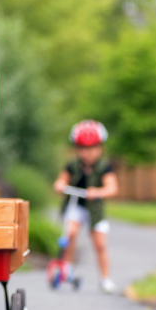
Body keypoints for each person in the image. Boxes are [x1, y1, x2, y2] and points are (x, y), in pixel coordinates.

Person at [53, 120, 120, 293]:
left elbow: (112, 188)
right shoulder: (73, 165)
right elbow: (61, 180)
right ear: (77, 149)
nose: (87, 153)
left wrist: (97, 192)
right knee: (70, 234)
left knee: (100, 244)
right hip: (75, 206)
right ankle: (67, 269)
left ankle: (105, 278)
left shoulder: (104, 167)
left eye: (92, 148)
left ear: (100, 148)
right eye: (82, 148)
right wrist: (60, 185)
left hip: (94, 209)